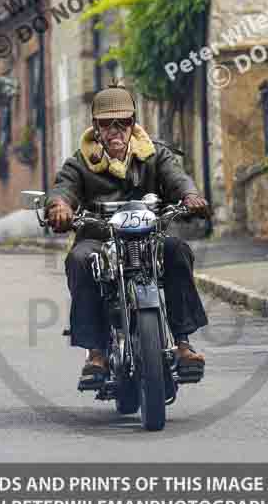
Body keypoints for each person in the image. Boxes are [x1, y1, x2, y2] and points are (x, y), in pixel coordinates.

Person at [45, 82, 209, 384]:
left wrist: (190, 196)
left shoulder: (154, 155)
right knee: (80, 260)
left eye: (123, 122)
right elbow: (63, 188)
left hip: (148, 236)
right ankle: (96, 353)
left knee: (177, 251)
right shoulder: (80, 162)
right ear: (96, 126)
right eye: (107, 124)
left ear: (133, 123)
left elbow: (177, 178)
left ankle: (183, 343)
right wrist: (59, 206)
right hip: (98, 237)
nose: (116, 130)